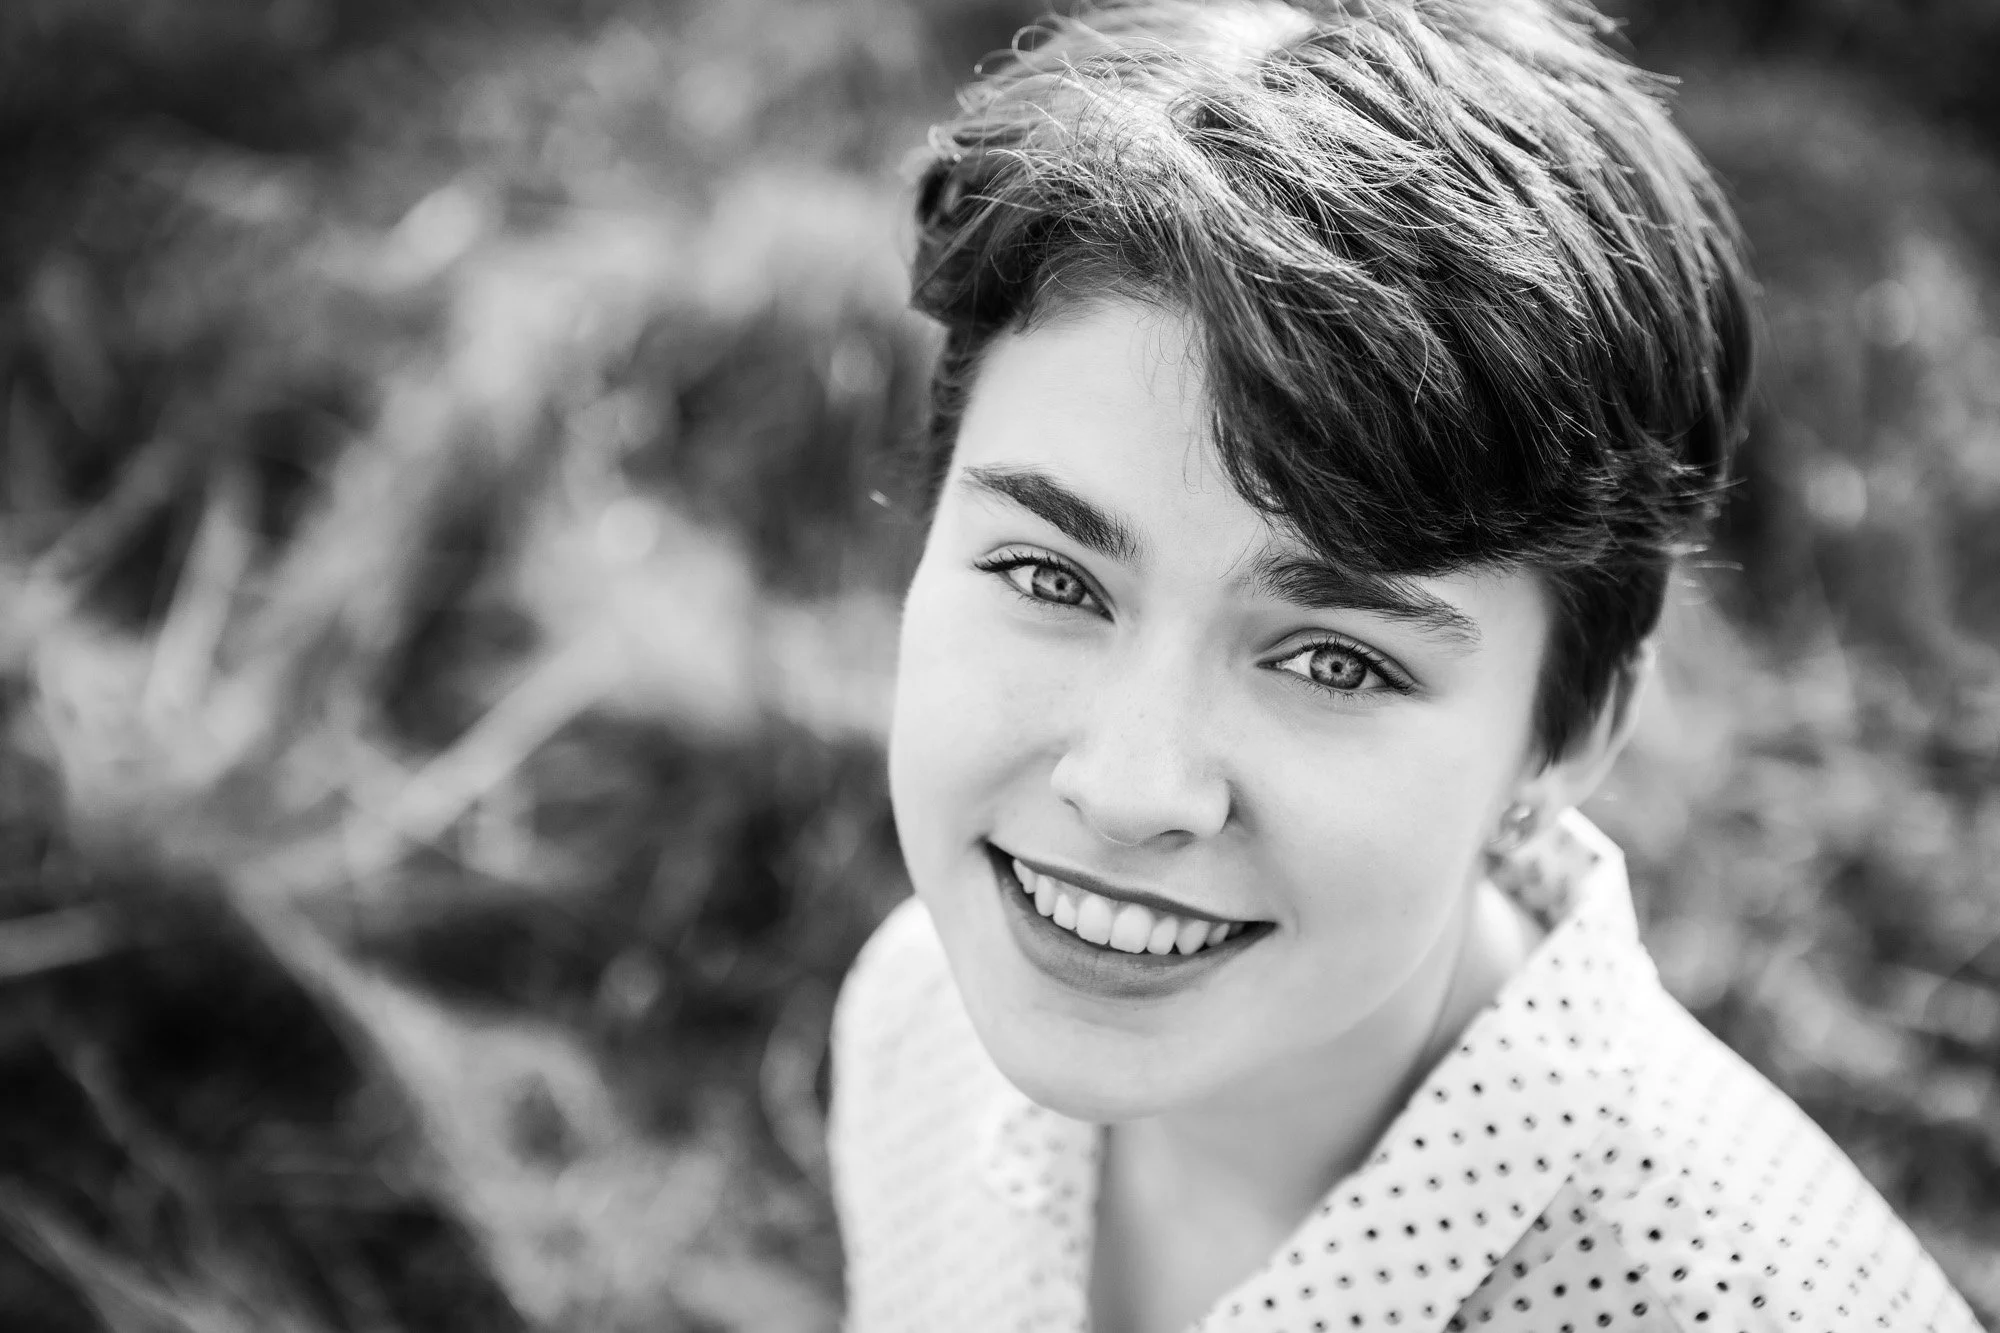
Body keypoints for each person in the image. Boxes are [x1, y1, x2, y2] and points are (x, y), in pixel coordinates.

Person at [826, 2, 1980, 1330]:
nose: (1128, 788)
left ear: (1575, 732)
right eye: (1049, 579)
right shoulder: (920, 1019)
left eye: (1332, 661)